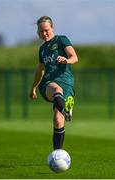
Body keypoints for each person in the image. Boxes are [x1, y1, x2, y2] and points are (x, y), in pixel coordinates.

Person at [29, 16, 78, 150]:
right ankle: (66, 108)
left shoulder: (61, 39)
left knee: (58, 120)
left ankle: (57, 154)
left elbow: (74, 57)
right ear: (38, 33)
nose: (44, 34)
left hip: (66, 82)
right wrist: (33, 88)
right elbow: (40, 70)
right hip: (48, 83)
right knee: (57, 89)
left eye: (46, 30)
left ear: (52, 28)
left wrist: (66, 60)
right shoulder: (42, 49)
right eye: (41, 31)